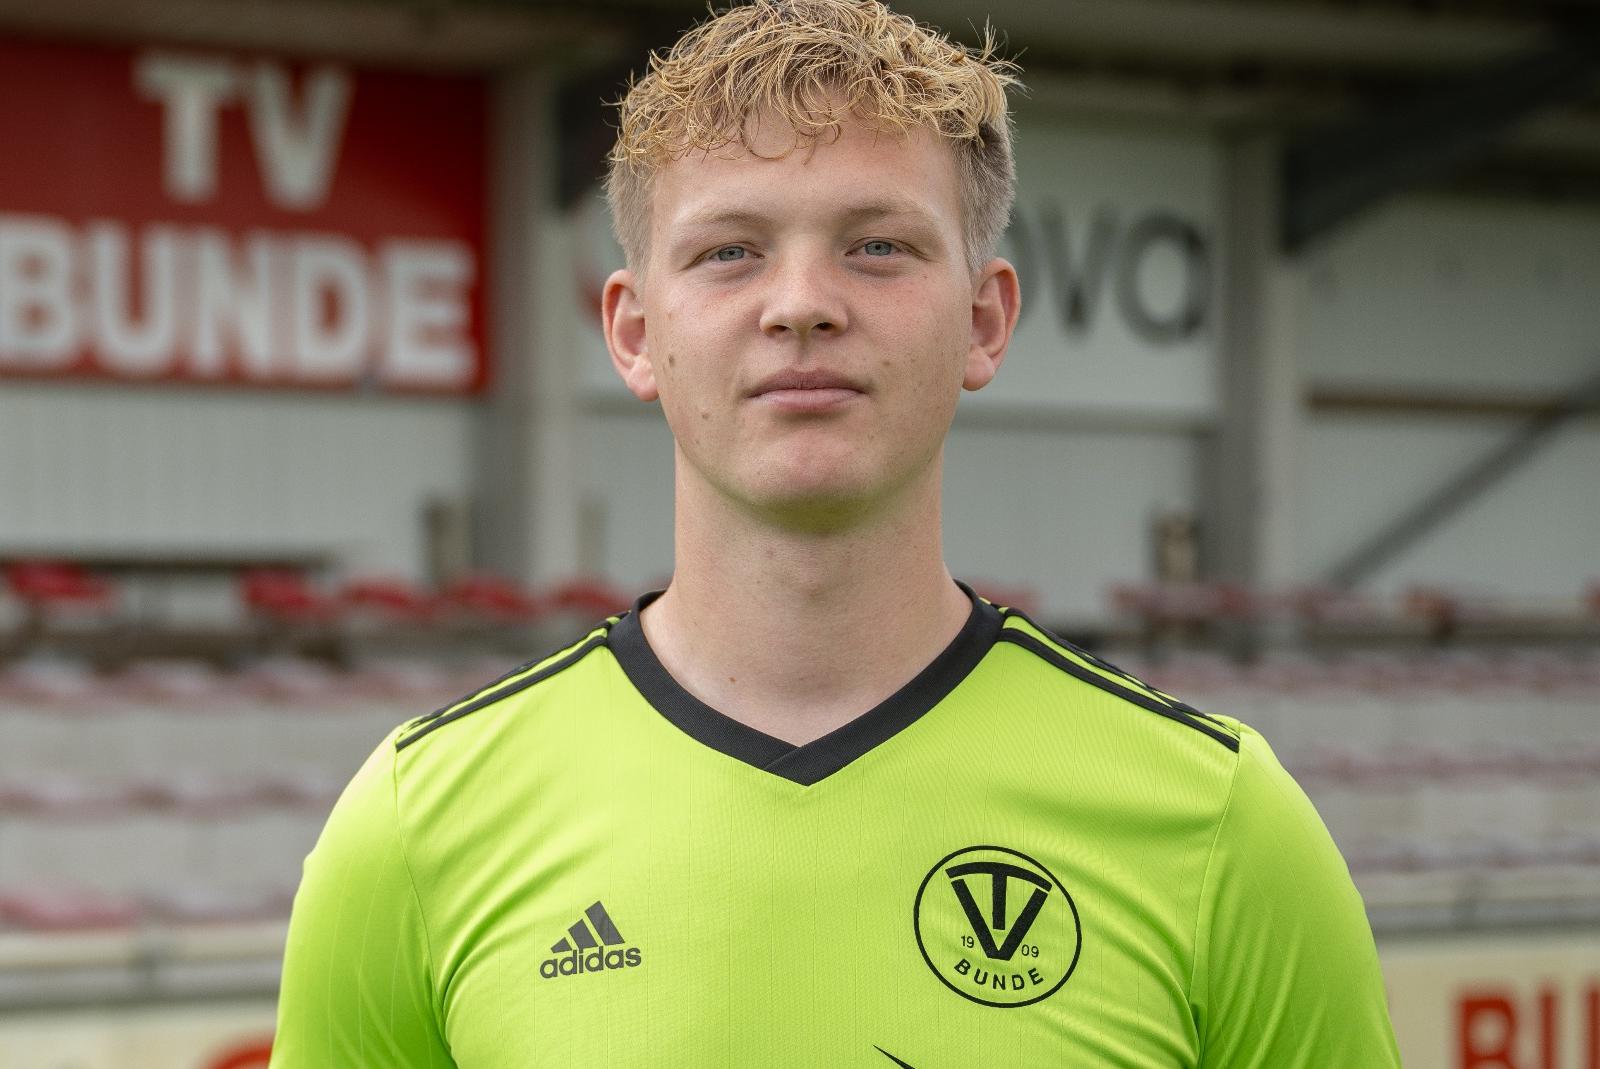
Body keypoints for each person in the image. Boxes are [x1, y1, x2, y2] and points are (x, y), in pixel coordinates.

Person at [269, 0, 1401, 1065]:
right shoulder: (418, 830)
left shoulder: (1219, 825)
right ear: (634, 331)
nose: (801, 302)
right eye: (729, 251)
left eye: (877, 246)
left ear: (983, 318)